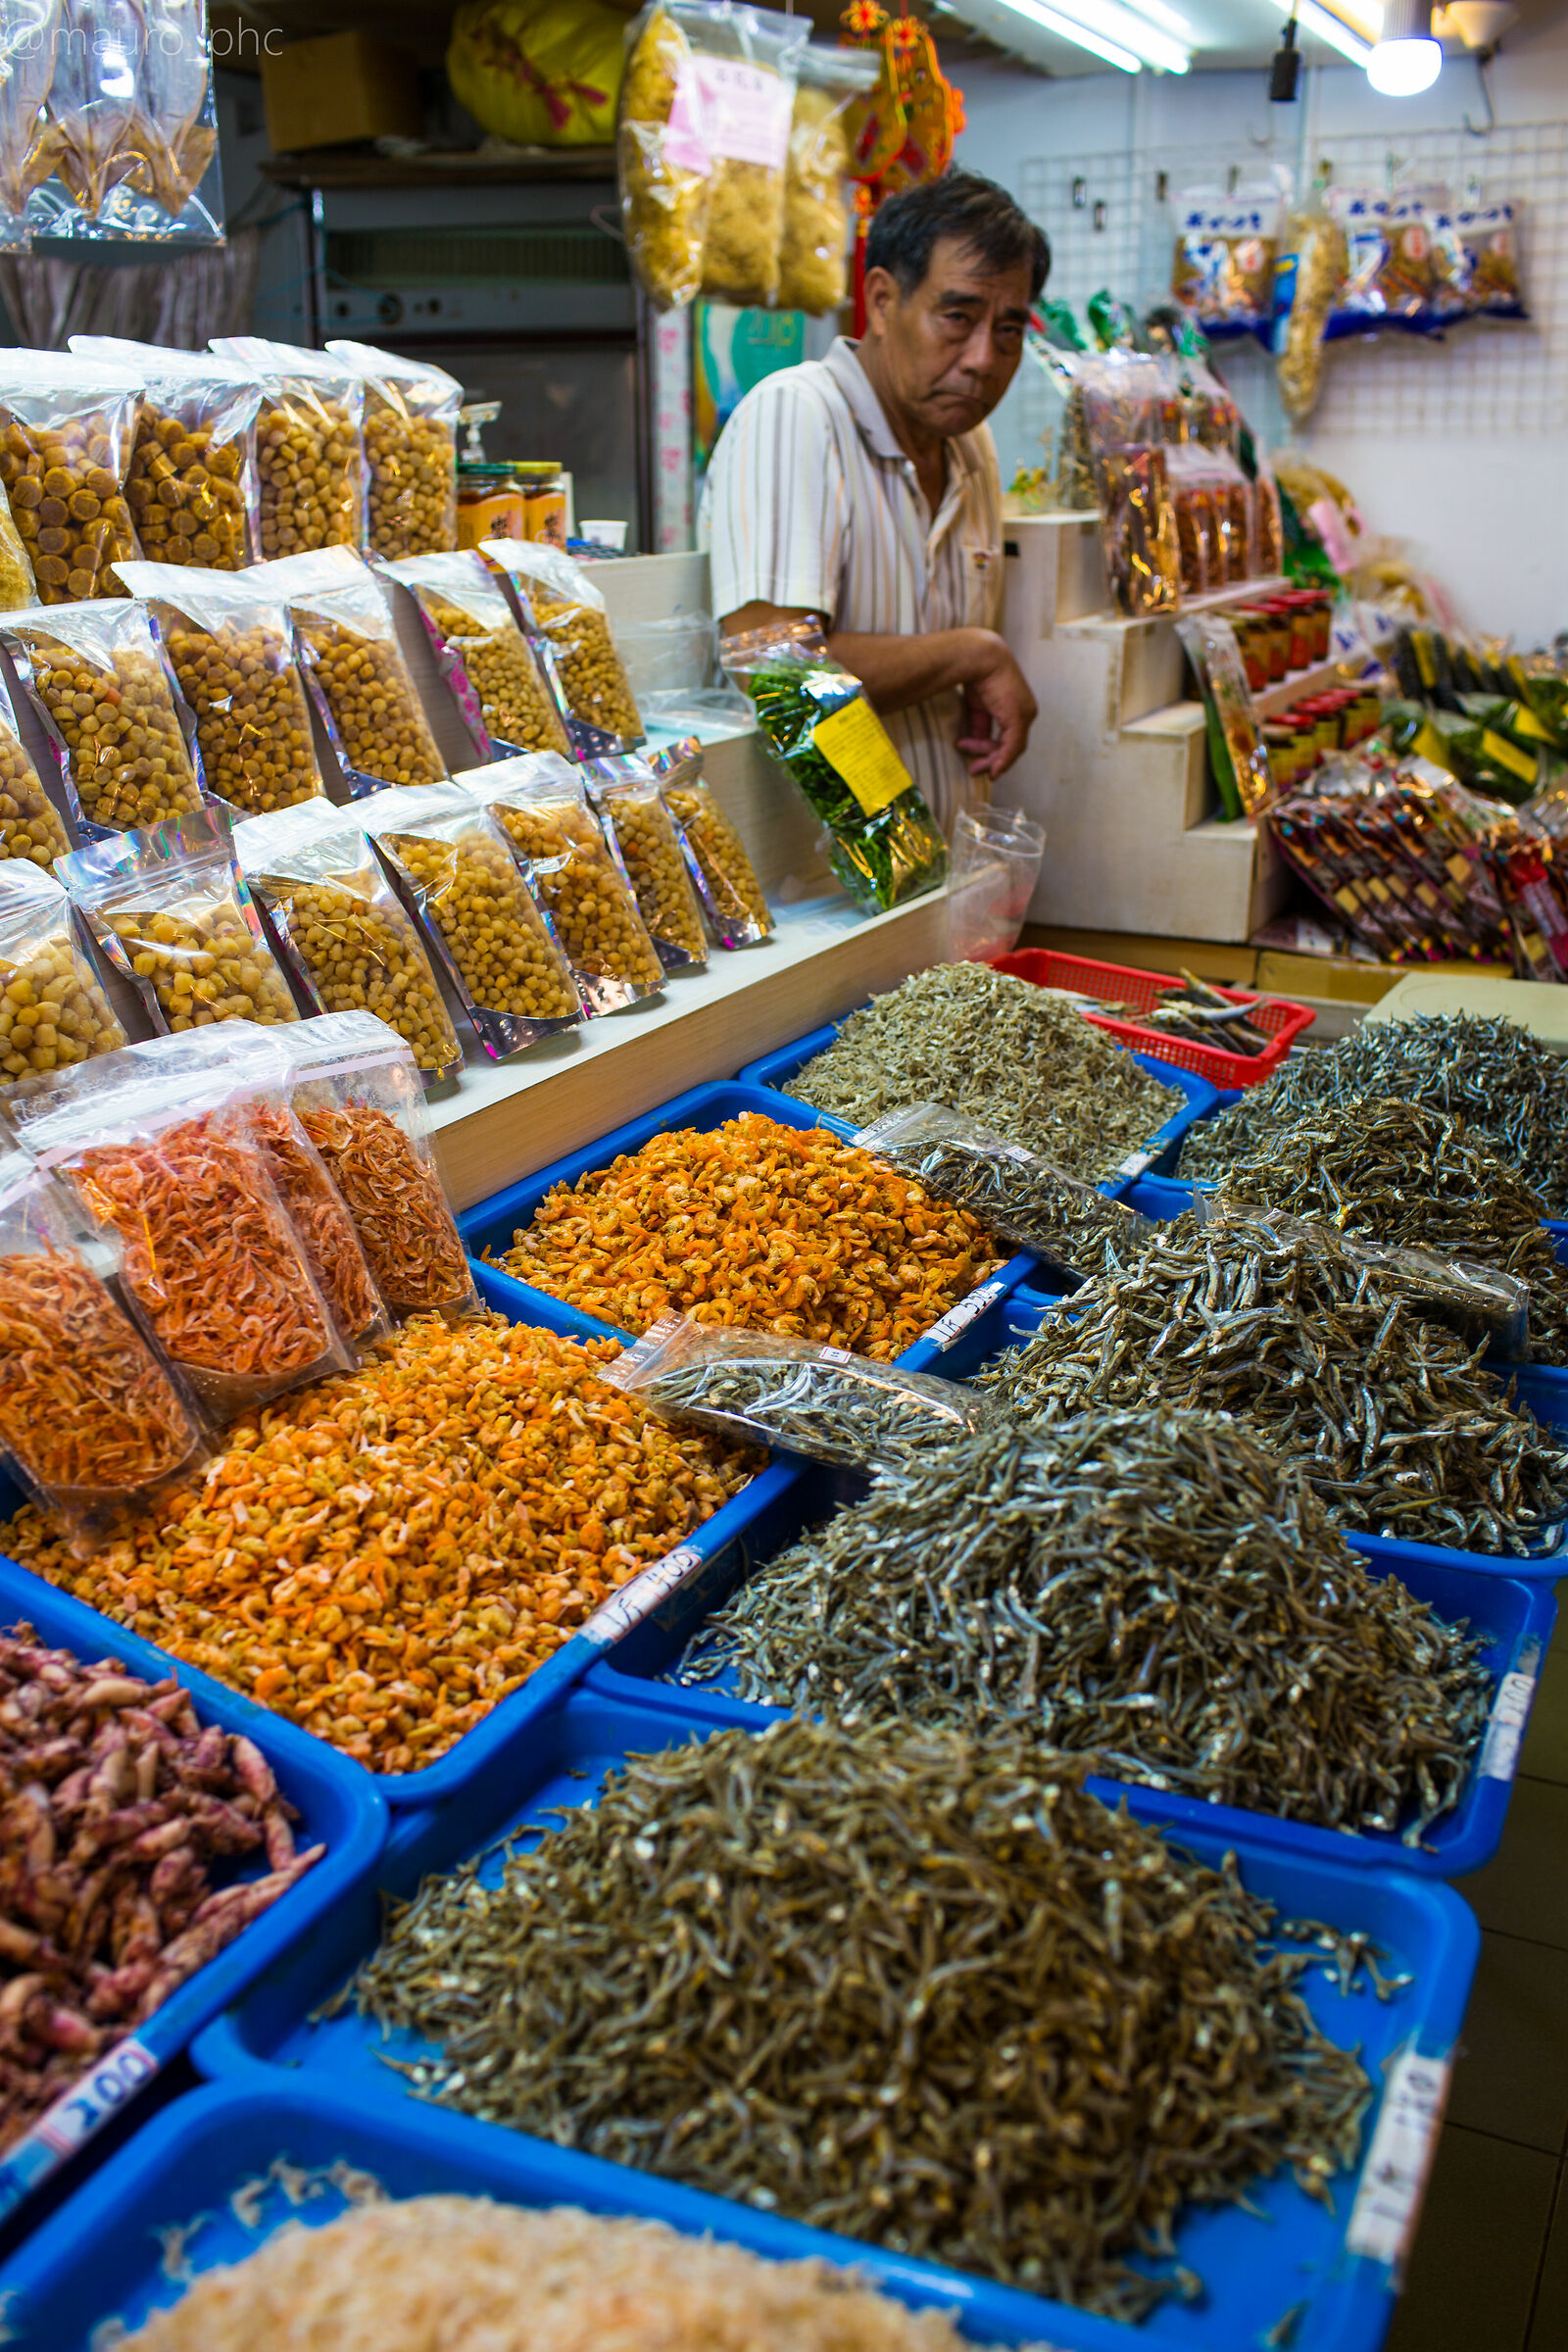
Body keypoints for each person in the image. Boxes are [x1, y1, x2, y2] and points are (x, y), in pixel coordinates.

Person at [703, 169, 1049, 835]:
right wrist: (973, 654)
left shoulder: (970, 445)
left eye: (1008, 331)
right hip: (819, 884)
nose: (983, 358)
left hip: (941, 870)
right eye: (957, 318)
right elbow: (772, 670)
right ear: (883, 301)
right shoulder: (797, 416)